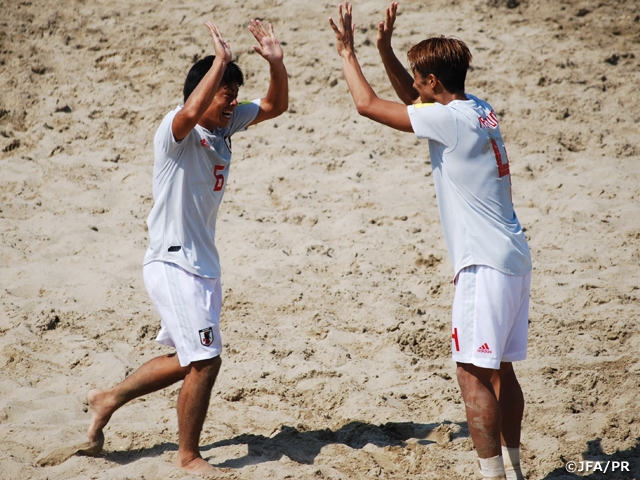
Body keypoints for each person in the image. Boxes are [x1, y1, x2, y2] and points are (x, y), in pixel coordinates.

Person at [330, 3, 531, 479]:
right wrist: (385, 49)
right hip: (512, 255)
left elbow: (369, 105)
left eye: (421, 79)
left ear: (436, 82)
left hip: (482, 263)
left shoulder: (451, 121)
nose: (415, 87)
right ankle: (516, 468)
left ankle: (492, 476)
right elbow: (414, 102)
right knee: (502, 369)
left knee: (471, 372)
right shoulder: (477, 109)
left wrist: (347, 54)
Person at [84, 19, 288, 476]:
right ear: (202, 91)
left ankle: (107, 398)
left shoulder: (226, 123)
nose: (232, 101)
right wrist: (219, 61)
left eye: (235, 93)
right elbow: (190, 113)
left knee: (186, 359)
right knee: (207, 360)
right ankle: (188, 456)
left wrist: (276, 64)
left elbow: (276, 104)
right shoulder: (176, 130)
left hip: (204, 266)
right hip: (172, 261)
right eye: (224, 92)